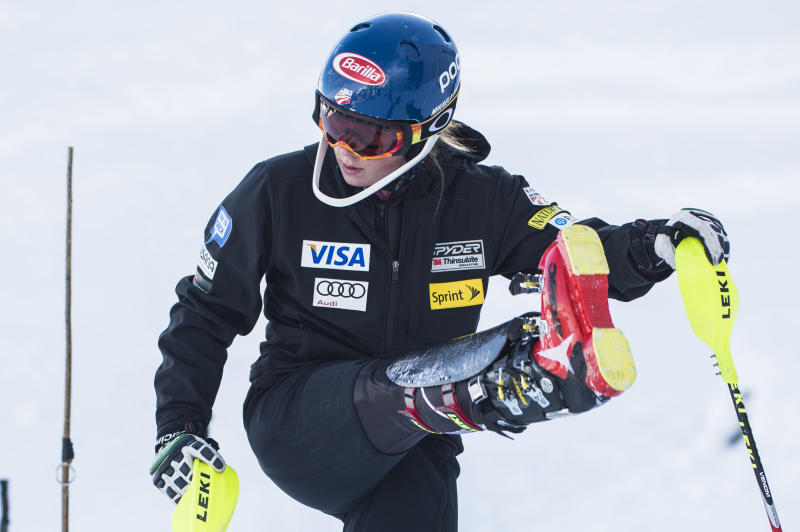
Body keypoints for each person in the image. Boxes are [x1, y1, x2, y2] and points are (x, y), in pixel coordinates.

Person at [150, 12, 730, 531]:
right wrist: (179, 425)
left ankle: (521, 369)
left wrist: (652, 245)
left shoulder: (483, 200)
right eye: (333, 120)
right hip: (301, 417)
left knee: (508, 349)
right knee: (425, 379)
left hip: (414, 445)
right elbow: (206, 312)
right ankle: (492, 385)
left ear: (428, 127)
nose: (344, 147)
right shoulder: (279, 191)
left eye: (370, 135)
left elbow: (576, 254)